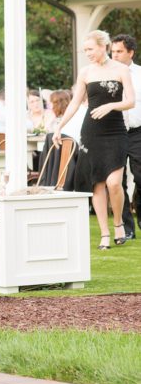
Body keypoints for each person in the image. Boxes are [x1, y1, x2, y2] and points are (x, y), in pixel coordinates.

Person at [54, 30, 134, 250]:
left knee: (114, 183)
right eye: (85, 49)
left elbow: (131, 101)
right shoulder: (86, 72)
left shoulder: (121, 69)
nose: (87, 53)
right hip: (91, 132)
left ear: (103, 46)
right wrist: (59, 126)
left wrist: (110, 105)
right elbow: (74, 103)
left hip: (115, 131)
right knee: (96, 183)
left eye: (90, 49)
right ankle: (105, 233)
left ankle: (118, 222)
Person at [110, 33, 141, 238]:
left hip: (138, 132)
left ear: (131, 52)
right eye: (113, 51)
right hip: (114, 132)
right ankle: (126, 228)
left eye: (119, 51)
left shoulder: (140, 74)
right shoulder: (105, 74)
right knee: (117, 181)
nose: (115, 55)